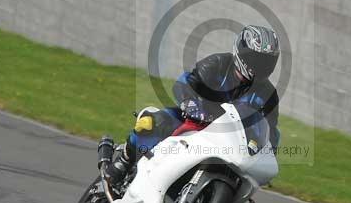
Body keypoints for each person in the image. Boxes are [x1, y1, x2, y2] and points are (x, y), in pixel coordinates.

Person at [101, 25, 281, 185]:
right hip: (197, 118)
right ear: (241, 52)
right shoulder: (218, 63)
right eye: (257, 59)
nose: (261, 66)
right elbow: (185, 83)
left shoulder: (268, 94)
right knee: (152, 122)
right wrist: (190, 105)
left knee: (242, 183)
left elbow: (271, 131)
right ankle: (123, 161)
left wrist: (266, 157)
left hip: (229, 144)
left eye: (266, 62)